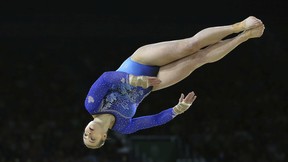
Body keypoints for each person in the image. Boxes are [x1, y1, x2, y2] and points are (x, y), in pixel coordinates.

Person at [83, 16, 265, 149]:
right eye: (91, 138)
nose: (88, 133)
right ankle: (244, 36)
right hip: (152, 85)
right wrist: (176, 110)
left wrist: (134, 79)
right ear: (104, 137)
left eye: (85, 134)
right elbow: (154, 120)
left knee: (190, 46)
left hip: (139, 63)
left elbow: (106, 78)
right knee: (197, 59)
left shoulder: (92, 106)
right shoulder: (124, 127)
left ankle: (238, 25)